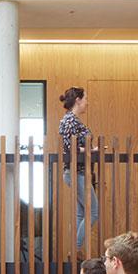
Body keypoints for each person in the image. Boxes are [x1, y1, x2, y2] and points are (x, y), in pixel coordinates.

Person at [58, 86, 99, 256]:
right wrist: (91, 151)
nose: (87, 103)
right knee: (94, 211)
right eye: (85, 99)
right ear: (78, 100)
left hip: (78, 172)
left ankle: (75, 251)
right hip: (76, 172)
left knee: (82, 213)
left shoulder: (71, 120)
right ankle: (75, 249)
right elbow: (70, 147)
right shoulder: (70, 121)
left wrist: (91, 149)